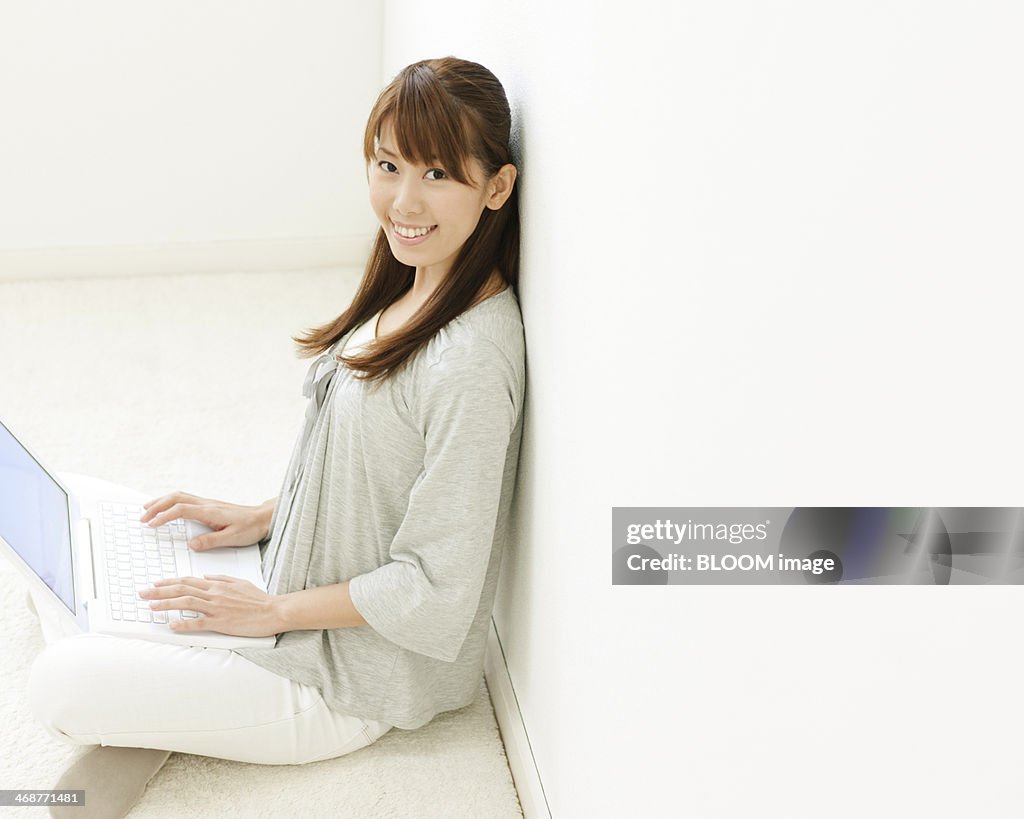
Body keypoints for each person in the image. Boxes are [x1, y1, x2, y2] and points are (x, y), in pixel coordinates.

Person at [26, 55, 525, 819]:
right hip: (281, 575)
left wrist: (271, 615)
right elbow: (376, 471)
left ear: (497, 186)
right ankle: (163, 689)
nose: (402, 200)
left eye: (437, 174)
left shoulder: (470, 364)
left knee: (58, 679)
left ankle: (159, 687)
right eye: (388, 164)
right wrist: (264, 515)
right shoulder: (414, 282)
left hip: (340, 677)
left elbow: (436, 591)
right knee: (71, 515)